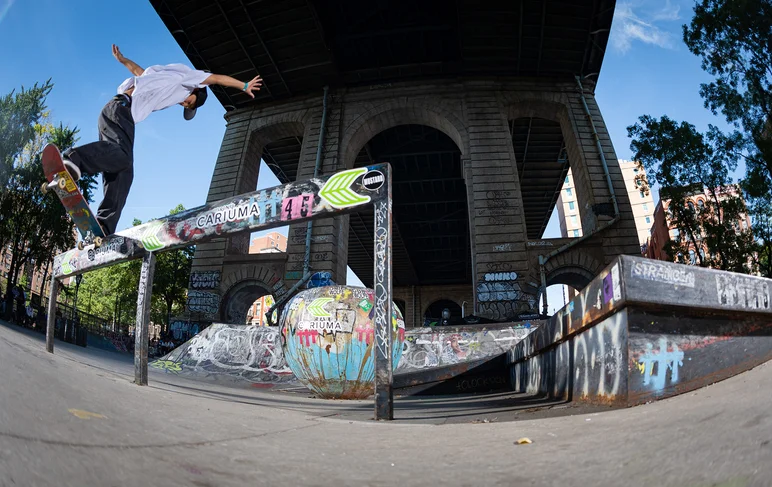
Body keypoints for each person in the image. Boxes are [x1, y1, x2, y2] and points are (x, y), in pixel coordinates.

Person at [61, 44, 263, 235]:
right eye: (190, 103)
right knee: (122, 156)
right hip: (121, 110)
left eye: (187, 106)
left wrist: (123, 60)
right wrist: (243, 85)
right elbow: (217, 79)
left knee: (123, 171)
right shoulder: (192, 79)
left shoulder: (162, 76)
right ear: (196, 91)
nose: (184, 103)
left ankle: (104, 226)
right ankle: (73, 158)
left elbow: (138, 71)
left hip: (115, 112)